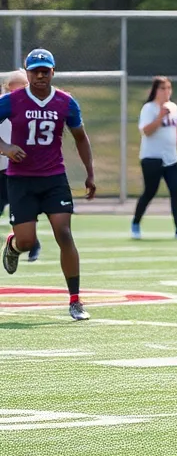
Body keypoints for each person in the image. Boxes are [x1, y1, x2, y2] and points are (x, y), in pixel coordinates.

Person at [0, 50, 96, 321]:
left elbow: (80, 137)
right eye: (35, 71)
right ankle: (14, 246)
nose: (40, 76)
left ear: (53, 72)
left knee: (64, 233)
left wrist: (90, 173)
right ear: (27, 73)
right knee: (27, 241)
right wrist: (5, 147)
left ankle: (75, 300)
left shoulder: (66, 102)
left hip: (54, 178)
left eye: (45, 71)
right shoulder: (12, 101)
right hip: (21, 180)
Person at [130, 76, 177, 240]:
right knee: (150, 191)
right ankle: (136, 223)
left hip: (171, 158)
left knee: (176, 190)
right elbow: (146, 131)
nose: (166, 92)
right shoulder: (149, 108)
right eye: (163, 88)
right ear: (155, 91)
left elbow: (175, 128)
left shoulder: (174, 107)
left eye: (169, 88)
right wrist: (159, 116)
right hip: (152, 158)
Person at [0, 71, 36, 262]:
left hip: (21, 171)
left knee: (22, 212)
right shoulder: (3, 105)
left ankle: (32, 244)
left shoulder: (33, 109)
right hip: (2, 170)